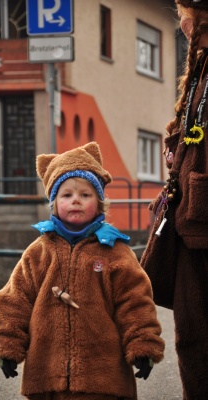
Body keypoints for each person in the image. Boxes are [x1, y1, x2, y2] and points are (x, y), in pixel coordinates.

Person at [0, 142, 165, 400]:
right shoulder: (39, 251)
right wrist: (7, 345)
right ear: (54, 202)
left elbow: (135, 301)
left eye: (85, 195)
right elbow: (14, 300)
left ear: (99, 202)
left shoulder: (116, 252)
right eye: (67, 195)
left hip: (102, 377)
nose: (76, 201)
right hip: (47, 373)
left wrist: (143, 345)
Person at [142, 1, 208, 398]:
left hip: (201, 218)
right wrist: (177, 149)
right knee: (193, 334)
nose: (182, 23)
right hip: (192, 218)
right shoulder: (201, 66)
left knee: (198, 334)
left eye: (189, 13)